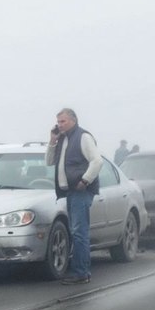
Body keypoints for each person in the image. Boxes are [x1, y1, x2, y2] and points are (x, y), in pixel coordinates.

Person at [46, 108, 103, 285]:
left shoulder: (83, 137)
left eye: (63, 121)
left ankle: (81, 272)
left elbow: (97, 161)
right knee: (75, 231)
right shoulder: (62, 139)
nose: (59, 125)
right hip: (70, 191)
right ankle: (79, 270)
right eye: (58, 121)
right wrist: (52, 141)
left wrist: (85, 181)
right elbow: (49, 162)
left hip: (81, 191)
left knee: (79, 232)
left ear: (73, 120)